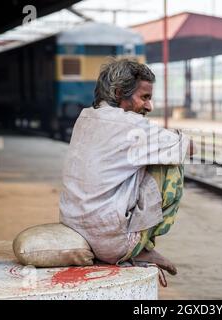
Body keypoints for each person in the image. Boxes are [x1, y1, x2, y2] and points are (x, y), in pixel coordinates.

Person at [59, 58, 196, 283]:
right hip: (112, 244)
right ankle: (143, 247)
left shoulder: (84, 116)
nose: (149, 106)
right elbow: (188, 148)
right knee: (171, 163)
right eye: (144, 97)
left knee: (146, 157)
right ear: (121, 93)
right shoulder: (132, 126)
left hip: (74, 226)